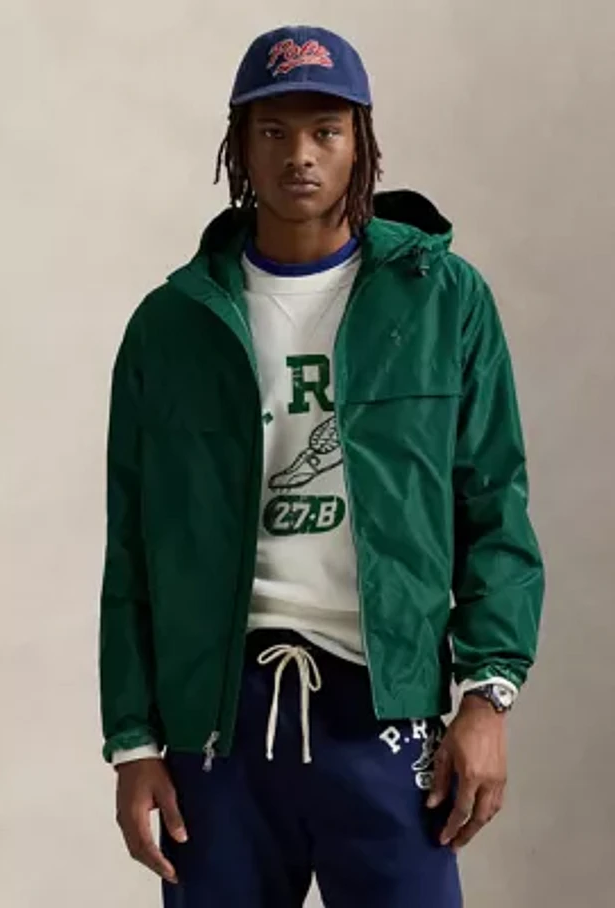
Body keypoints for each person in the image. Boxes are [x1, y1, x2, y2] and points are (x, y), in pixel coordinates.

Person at [99, 24, 545, 908]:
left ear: (361, 141)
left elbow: (495, 504)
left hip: (384, 714)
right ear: (238, 145)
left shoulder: (444, 301)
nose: (299, 154)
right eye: (272, 131)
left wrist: (487, 698)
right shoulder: (171, 325)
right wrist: (134, 743)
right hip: (216, 727)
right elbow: (133, 543)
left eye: (325, 130)